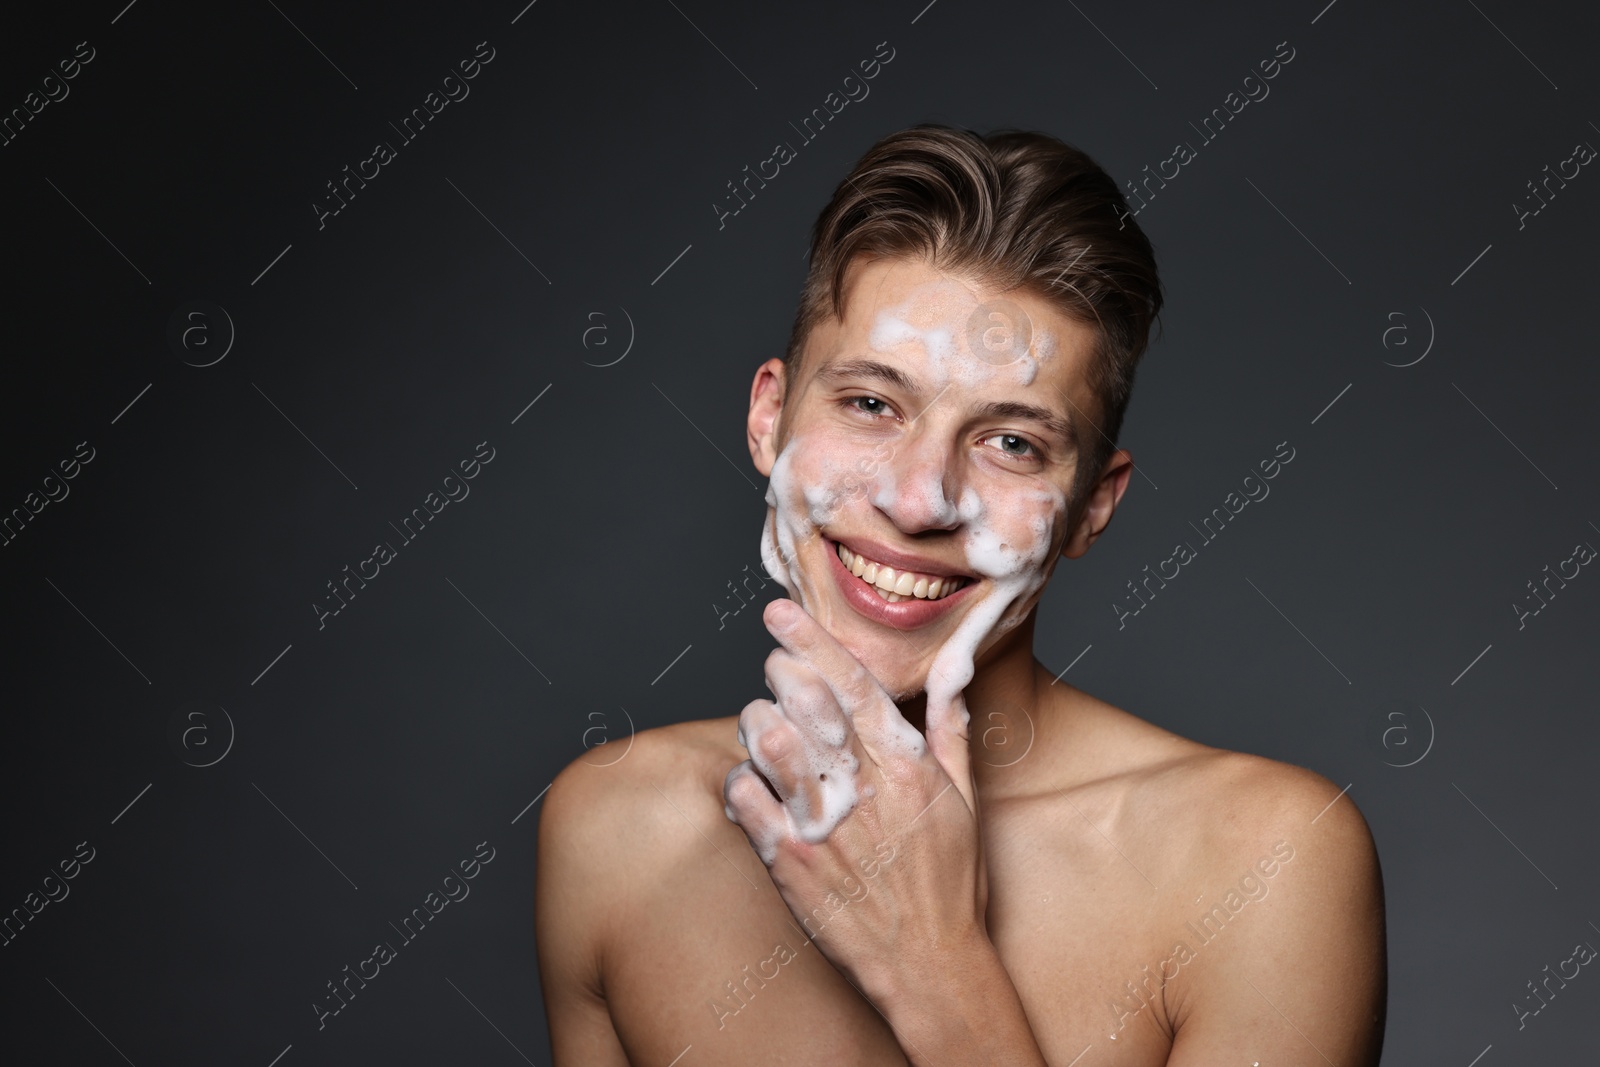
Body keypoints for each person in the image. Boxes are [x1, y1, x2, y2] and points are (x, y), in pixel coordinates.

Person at [535, 123, 1385, 1065]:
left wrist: (932, 961)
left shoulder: (1263, 862)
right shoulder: (616, 830)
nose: (917, 498)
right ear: (769, 420)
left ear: (1088, 510)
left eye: (1011, 442)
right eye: (870, 404)